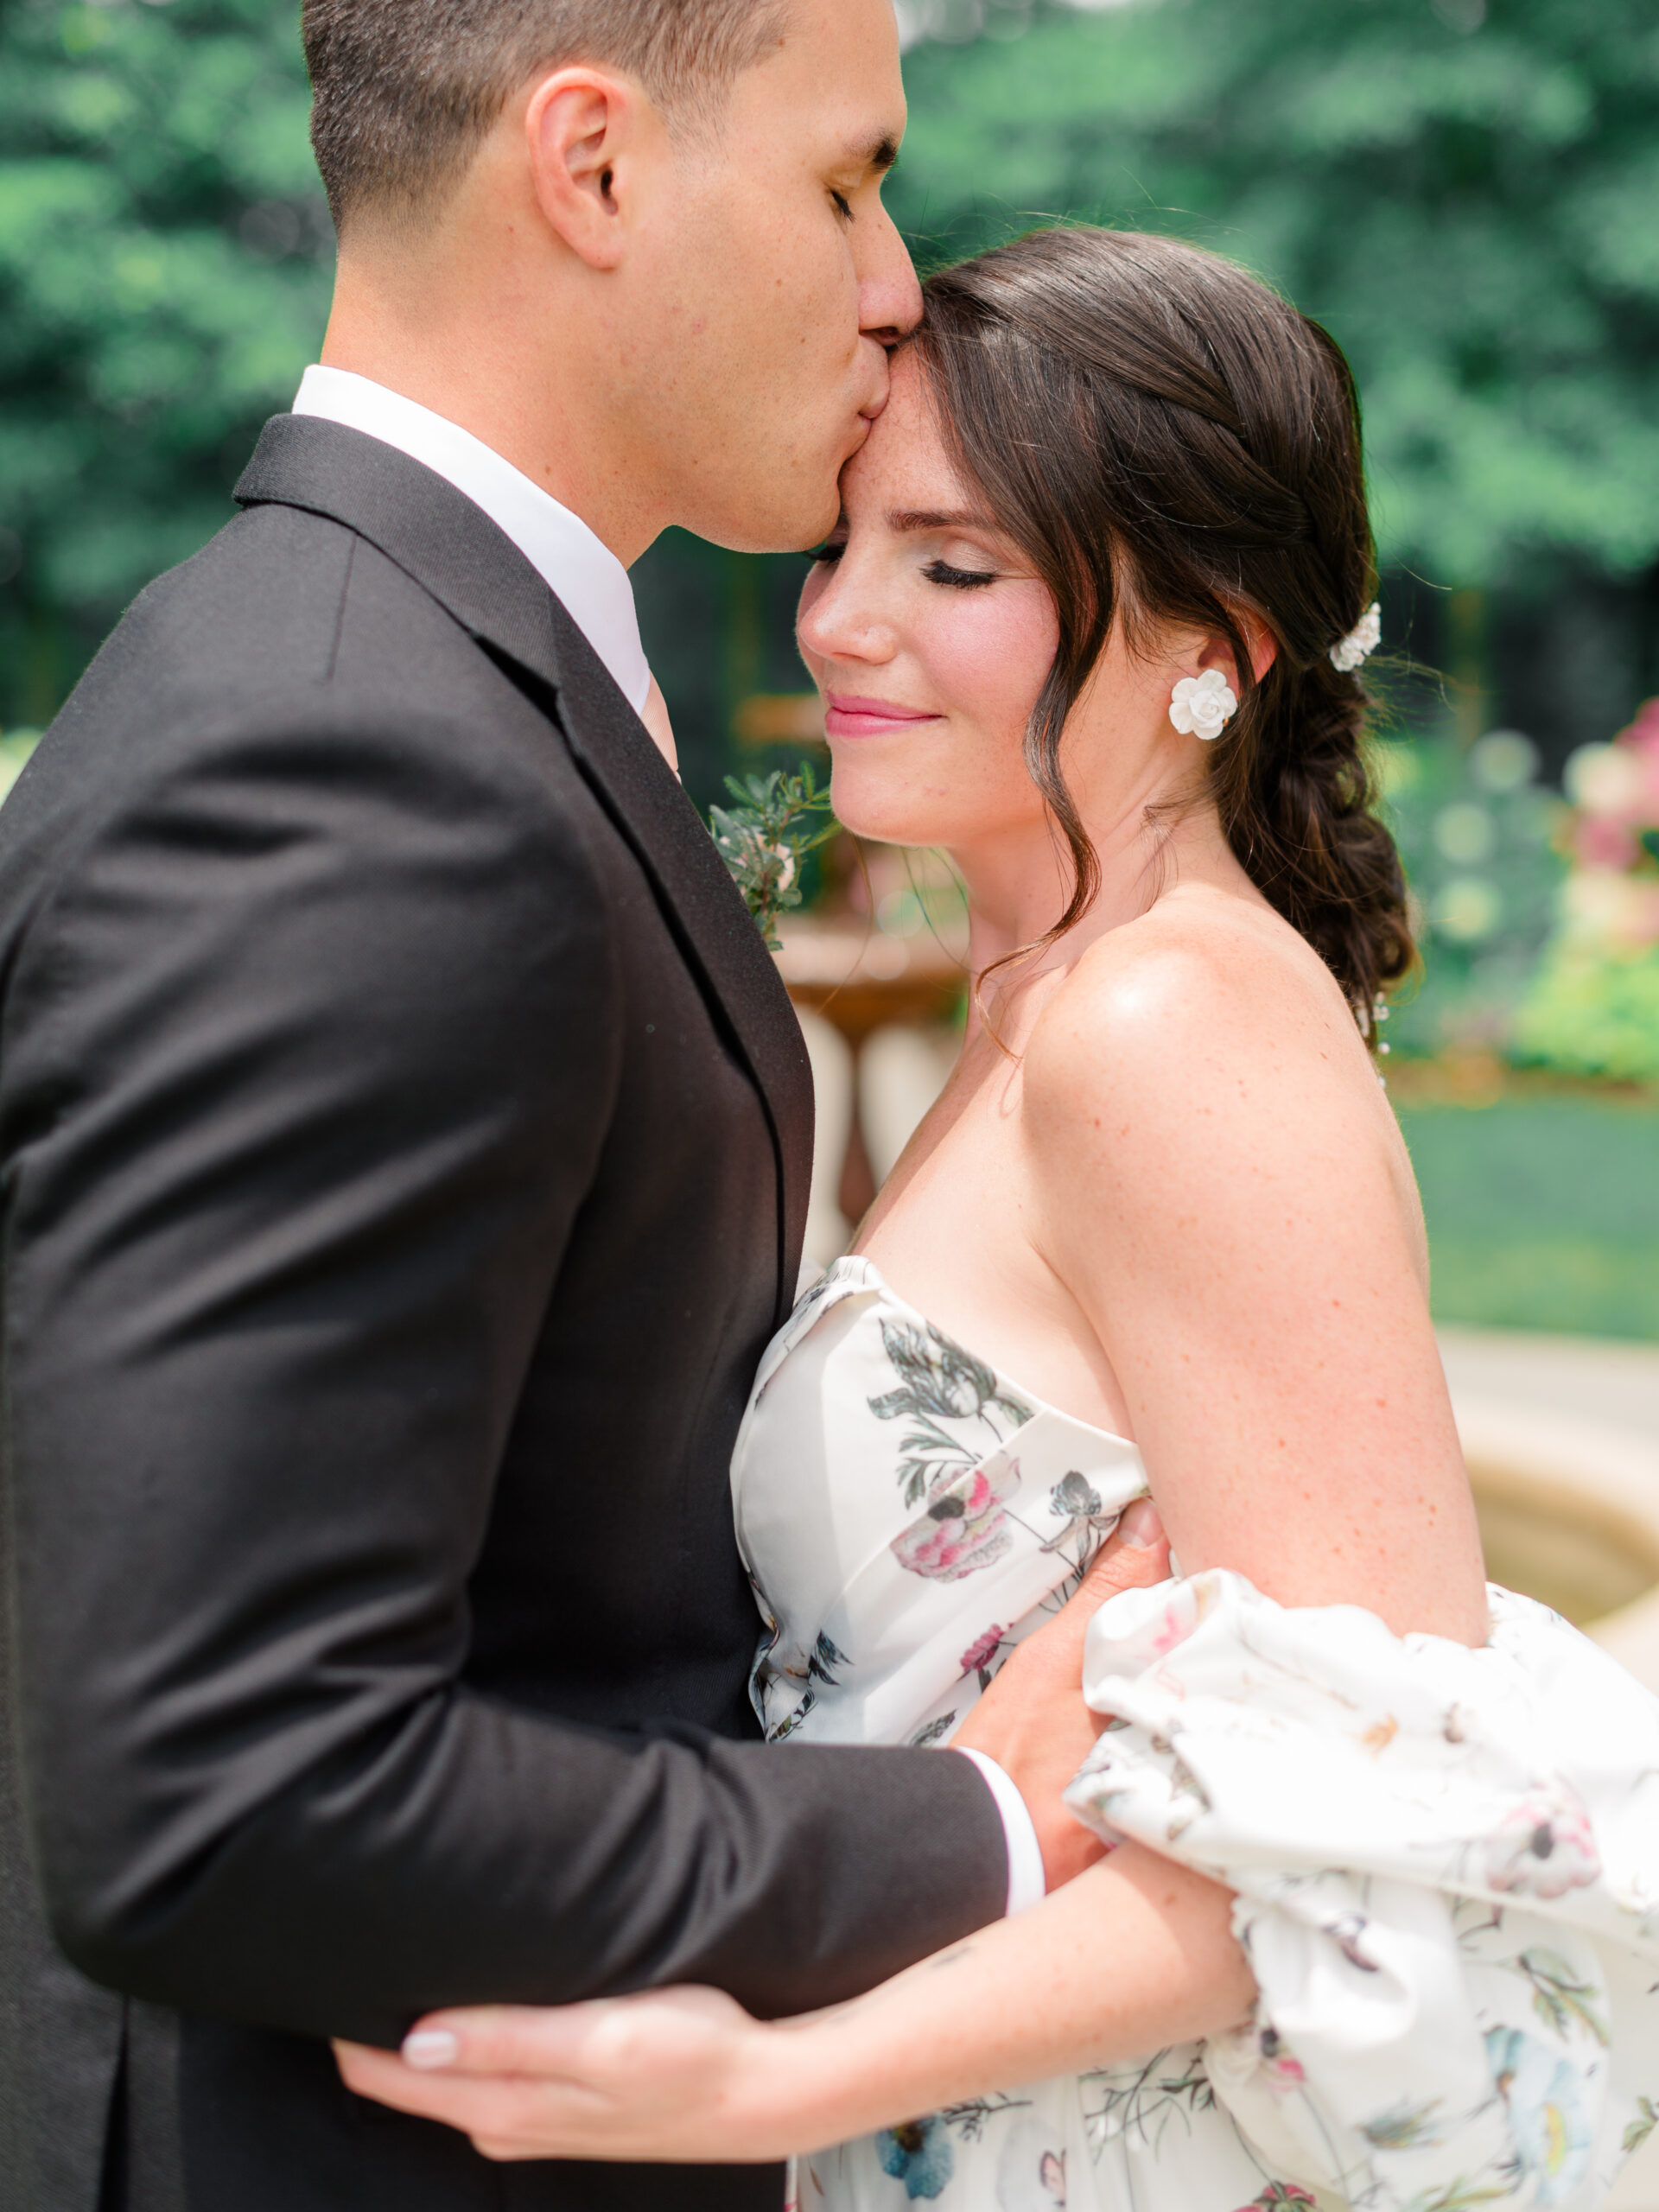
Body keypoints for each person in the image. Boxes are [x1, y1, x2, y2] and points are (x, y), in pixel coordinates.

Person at [335, 230, 1659, 2210]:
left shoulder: (1166, 1021)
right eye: (843, 545)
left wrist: (768, 2082)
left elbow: (1381, 1811)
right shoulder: (1038, 986)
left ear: (1213, 637)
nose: (845, 626)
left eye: (954, 567)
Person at [0, 12, 1173, 2211]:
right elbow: (229, 1792)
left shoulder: (402, 670)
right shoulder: (351, 766)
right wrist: (976, 1829)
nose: (898, 275)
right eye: (846, 183)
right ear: (594, 168)